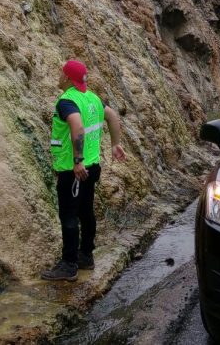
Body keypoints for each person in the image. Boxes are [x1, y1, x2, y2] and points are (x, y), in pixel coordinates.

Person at [41, 60, 127, 281]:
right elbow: (113, 117)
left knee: (69, 215)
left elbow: (77, 126)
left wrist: (77, 161)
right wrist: (116, 144)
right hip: (92, 167)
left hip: (75, 171)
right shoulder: (93, 98)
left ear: (68, 78)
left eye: (62, 74)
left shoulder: (67, 101)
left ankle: (69, 265)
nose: (59, 76)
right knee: (86, 211)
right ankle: (86, 256)